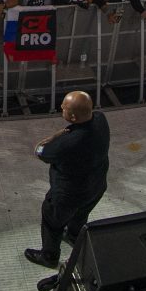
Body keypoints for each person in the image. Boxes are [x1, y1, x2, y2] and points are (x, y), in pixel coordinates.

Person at [25, 90, 110, 268]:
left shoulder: (68, 143)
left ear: (71, 117)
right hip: (96, 187)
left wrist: (49, 141)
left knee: (52, 221)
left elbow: (43, 153)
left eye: (63, 108)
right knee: (81, 214)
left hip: (68, 195)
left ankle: (49, 256)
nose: (61, 109)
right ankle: (73, 236)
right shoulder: (100, 120)